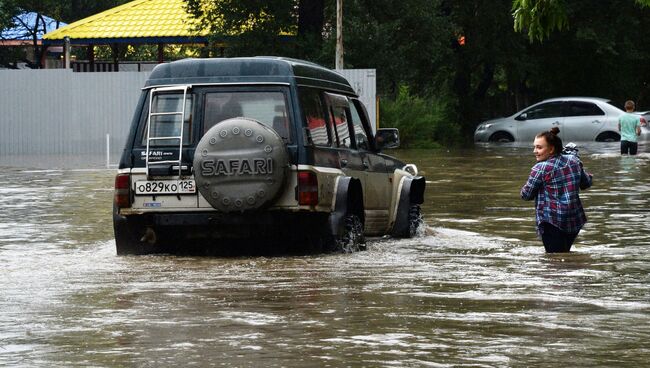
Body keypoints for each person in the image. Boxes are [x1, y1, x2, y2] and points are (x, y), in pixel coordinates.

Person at [521, 127, 593, 253]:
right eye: (534, 147)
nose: (535, 151)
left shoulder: (540, 168)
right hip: (573, 220)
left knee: (555, 262)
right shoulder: (573, 161)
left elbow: (526, 195)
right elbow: (586, 183)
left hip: (551, 221)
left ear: (551, 149)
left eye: (539, 147)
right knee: (564, 256)